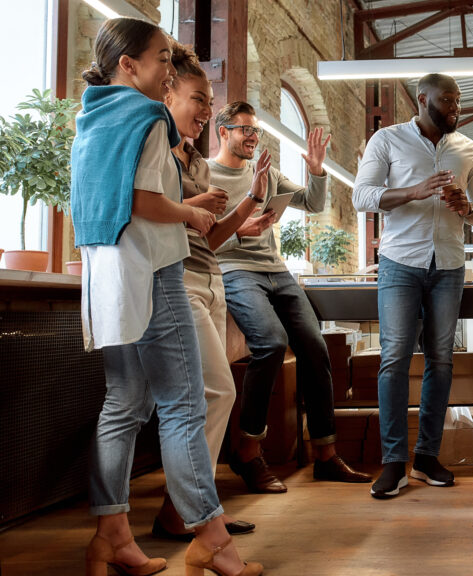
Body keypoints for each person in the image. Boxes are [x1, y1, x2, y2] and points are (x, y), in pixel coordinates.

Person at [72, 17, 261, 576]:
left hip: (104, 277)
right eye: (160, 60)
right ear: (128, 65)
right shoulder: (148, 117)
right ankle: (211, 539)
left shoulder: (91, 117)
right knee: (185, 406)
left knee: (123, 404)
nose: (166, 74)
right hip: (153, 271)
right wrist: (194, 212)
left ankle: (111, 537)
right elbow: (146, 202)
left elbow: (114, 201)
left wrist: (183, 204)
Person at [209, 101, 371, 493]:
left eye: (255, 131)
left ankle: (326, 455)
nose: (251, 137)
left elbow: (312, 204)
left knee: (315, 347)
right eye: (244, 129)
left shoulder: (265, 171)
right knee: (270, 342)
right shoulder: (207, 175)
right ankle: (247, 452)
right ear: (223, 132)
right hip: (234, 269)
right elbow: (201, 239)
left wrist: (316, 170)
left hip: (276, 271)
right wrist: (238, 231)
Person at [150, 40, 275, 542]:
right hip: (176, 280)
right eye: (198, 99)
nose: (205, 110)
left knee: (211, 396)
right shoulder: (155, 150)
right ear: (168, 93)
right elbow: (152, 211)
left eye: (208, 100)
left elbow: (210, 235)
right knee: (217, 393)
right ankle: (192, 510)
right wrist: (195, 204)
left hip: (209, 277)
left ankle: (190, 509)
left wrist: (250, 204)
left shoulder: (194, 161)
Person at [353, 73, 473, 499]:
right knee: (394, 360)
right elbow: (362, 196)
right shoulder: (388, 140)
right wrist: (412, 191)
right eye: (447, 100)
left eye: (458, 102)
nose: (455, 108)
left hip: (448, 266)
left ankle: (427, 457)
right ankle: (394, 462)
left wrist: (469, 207)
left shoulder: (469, 149)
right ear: (422, 99)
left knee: (441, 361)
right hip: (400, 264)